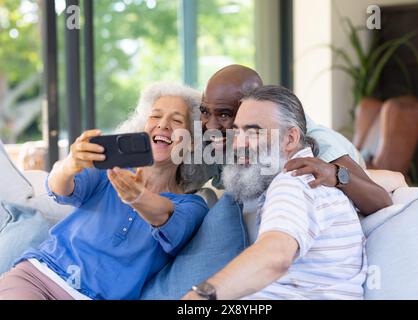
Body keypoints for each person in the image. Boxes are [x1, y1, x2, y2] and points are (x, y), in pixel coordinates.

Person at [0, 83, 209, 300]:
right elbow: (59, 189)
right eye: (155, 116)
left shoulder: (192, 206)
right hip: (38, 277)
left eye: (176, 120)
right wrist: (70, 164)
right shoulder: (108, 170)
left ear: (192, 142)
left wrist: (137, 197)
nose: (163, 125)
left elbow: (165, 215)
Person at [183, 85, 367, 300]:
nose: (239, 143)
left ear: (289, 139)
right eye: (237, 130)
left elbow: (275, 255)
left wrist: (199, 298)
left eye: (253, 132)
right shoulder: (306, 179)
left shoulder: (294, 182)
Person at [198, 64, 392, 216]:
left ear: (251, 107)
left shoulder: (311, 142)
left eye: (224, 115)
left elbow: (381, 200)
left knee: (394, 179)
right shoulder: (213, 130)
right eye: (205, 111)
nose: (211, 126)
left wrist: (335, 172)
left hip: (355, 163)